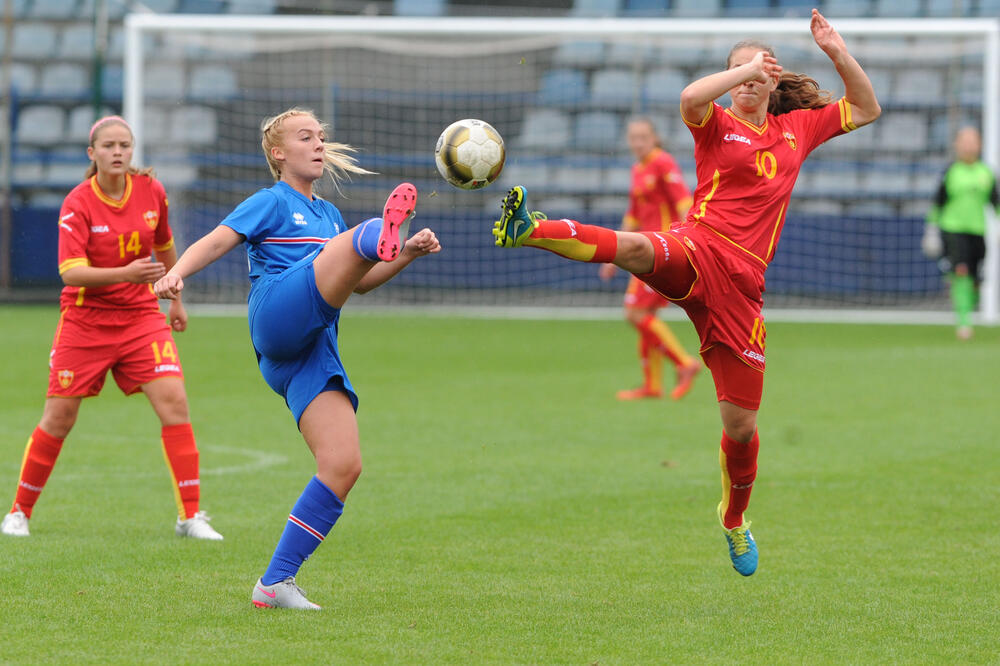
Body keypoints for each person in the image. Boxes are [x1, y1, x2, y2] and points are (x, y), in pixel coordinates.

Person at [492, 9, 879, 576]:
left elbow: (867, 108)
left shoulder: (797, 130)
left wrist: (837, 52)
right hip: (699, 247)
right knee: (638, 249)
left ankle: (733, 519)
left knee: (741, 428)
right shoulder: (715, 122)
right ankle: (531, 229)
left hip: (744, 291)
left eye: (758, 73)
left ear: (774, 84)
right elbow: (690, 98)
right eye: (738, 72)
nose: (747, 81)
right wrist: (741, 68)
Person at [153, 107, 440, 609]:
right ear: (278, 153)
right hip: (277, 316)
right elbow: (219, 238)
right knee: (361, 238)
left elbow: (359, 283)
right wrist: (177, 273)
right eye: (305, 137)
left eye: (322, 136)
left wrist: (408, 253)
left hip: (309, 349)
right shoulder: (271, 201)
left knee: (343, 465)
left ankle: (275, 583)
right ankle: (380, 233)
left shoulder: (328, 215)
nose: (319, 144)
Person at [1, 116, 223, 541]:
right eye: (109, 146)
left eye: (125, 144)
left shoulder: (151, 191)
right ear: (93, 153)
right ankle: (18, 512)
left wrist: (175, 298)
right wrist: (127, 272)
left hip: (141, 317)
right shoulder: (78, 203)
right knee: (59, 417)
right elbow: (71, 272)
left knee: (174, 402)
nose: (118, 152)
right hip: (85, 322)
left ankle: (191, 516)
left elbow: (164, 246)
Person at [599, 117, 701, 401]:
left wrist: (689, 239)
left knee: (635, 314)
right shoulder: (638, 169)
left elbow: (684, 202)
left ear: (655, 137)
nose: (638, 143)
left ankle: (685, 363)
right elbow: (633, 214)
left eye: (643, 137)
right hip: (642, 250)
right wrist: (611, 255)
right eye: (633, 138)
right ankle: (653, 385)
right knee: (645, 317)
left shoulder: (663, 163)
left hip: (663, 250)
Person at [925, 126, 999, 340]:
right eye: (964, 141)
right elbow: (938, 203)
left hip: (977, 230)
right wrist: (931, 230)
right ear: (956, 145)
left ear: (980, 145)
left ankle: (966, 301)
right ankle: (964, 322)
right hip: (953, 228)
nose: (968, 145)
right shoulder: (950, 172)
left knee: (976, 279)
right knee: (961, 271)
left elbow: (996, 203)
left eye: (972, 141)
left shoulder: (986, 173)